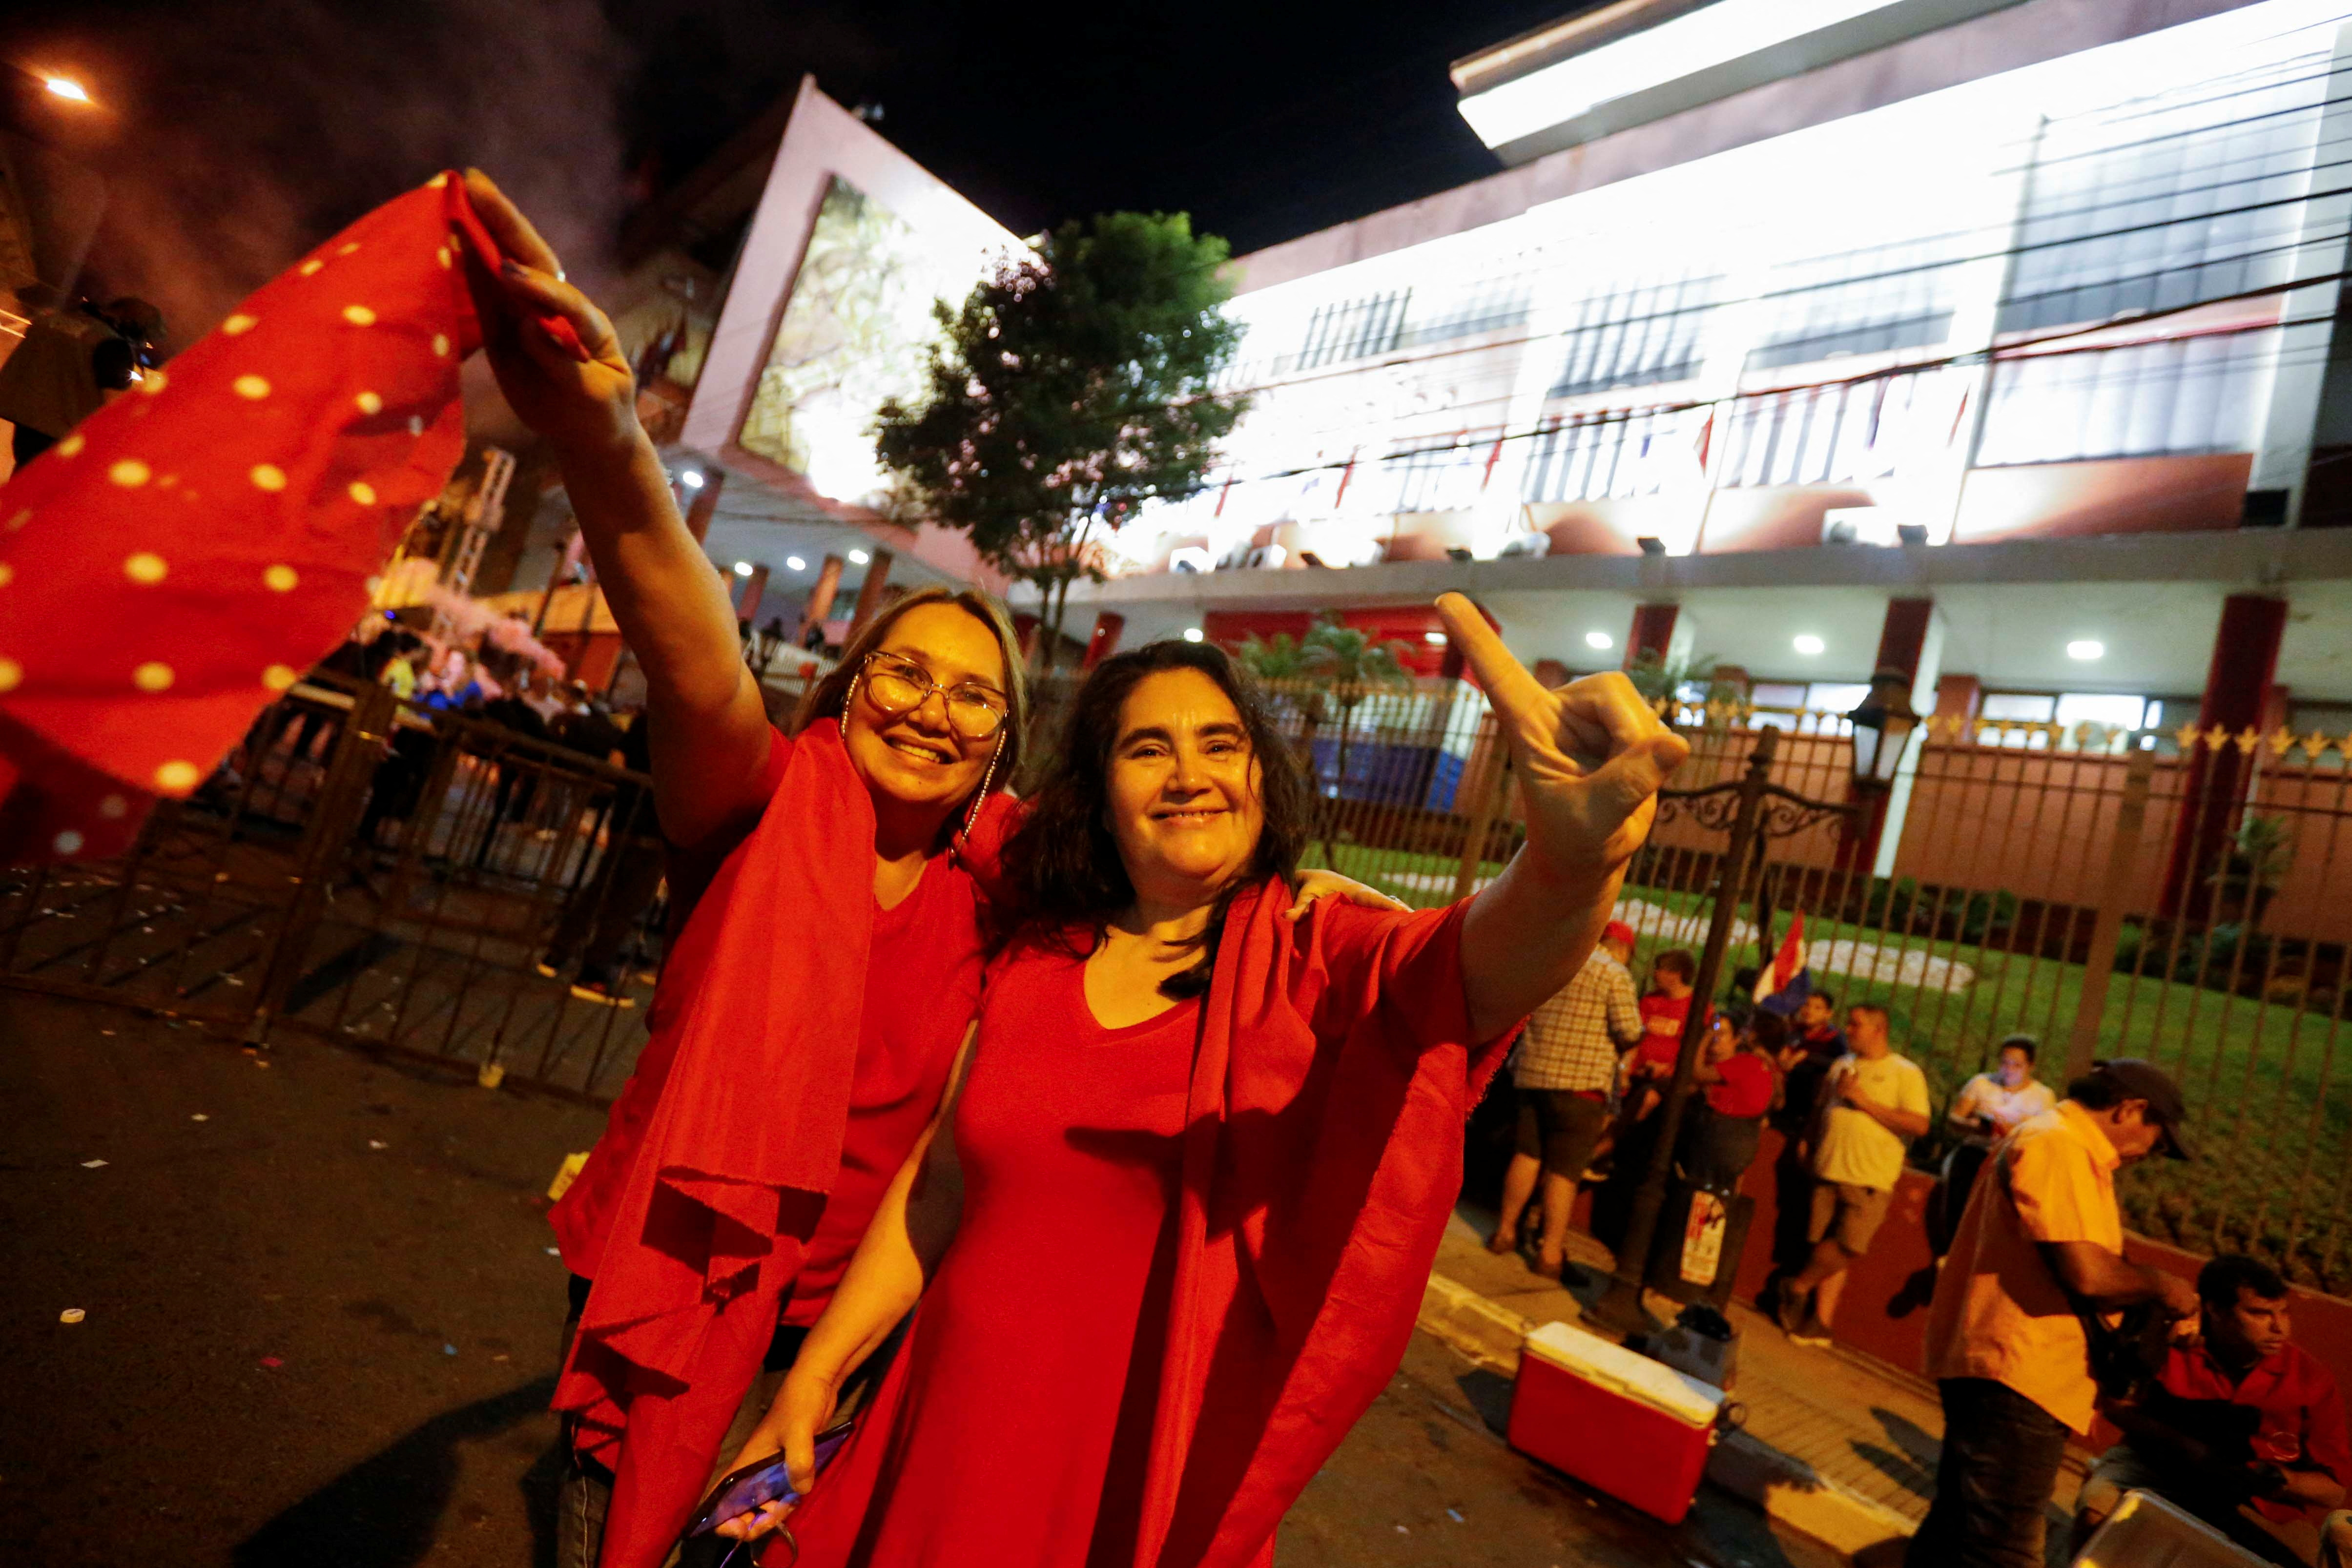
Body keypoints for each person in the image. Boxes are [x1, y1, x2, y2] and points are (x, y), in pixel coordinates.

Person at [454, 169, 1393, 1568]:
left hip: (857, 1317)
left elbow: (1176, 860)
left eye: (974, 697)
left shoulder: (1016, 871)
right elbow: (694, 657)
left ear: (1006, 747)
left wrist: (1293, 893)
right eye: (904, 671)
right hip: (683, 1268)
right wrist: (608, 445)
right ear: (844, 686)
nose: (930, 710)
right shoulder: (765, 804)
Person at [714, 609, 1686, 1564]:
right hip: (925, 1429)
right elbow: (938, 1187)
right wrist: (817, 1375)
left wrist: (1569, 863)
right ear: (1100, 793)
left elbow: (1482, 969)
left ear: (1261, 774)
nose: (1190, 774)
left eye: (1221, 743)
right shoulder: (1034, 956)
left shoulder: (1317, 951)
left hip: (1132, 1486)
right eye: (1148, 748)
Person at [1907, 1059, 2202, 1568]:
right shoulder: (2059, 1144)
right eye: (2155, 1141)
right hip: (2019, 1372)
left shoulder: (2062, 1143)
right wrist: (2163, 1285)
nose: (2148, 1156)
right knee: (2004, 1547)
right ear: (2130, 1108)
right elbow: (2090, 1274)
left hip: (2009, 1367)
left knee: (1957, 1532)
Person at [2071, 1253, 2352, 1567]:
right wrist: (2189, 1449)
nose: (2279, 1328)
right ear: (2215, 1310)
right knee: (2097, 1512)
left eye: (2283, 1313)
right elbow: (2114, 1406)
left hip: (2259, 1503)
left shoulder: (2311, 1380)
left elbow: (2334, 1493)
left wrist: (2283, 1480)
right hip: (2153, 1466)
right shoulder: (2171, 1339)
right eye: (2259, 1314)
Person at [1489, 917, 1643, 1277]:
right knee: (1564, 1172)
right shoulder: (1613, 973)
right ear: (1623, 949)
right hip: (1582, 1086)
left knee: (1526, 1155)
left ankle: (1505, 1232)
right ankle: (1551, 1254)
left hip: (1533, 1075)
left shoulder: (1557, 960)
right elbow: (1631, 1030)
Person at [1778, 1003, 1930, 1347]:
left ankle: (1797, 1286)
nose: (1849, 1029)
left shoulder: (1904, 1072)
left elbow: (1919, 1124)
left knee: (1849, 1245)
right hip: (1830, 1165)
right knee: (1825, 1246)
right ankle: (1819, 1323)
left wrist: (1863, 1101)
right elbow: (1823, 1107)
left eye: (1857, 1024)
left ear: (1879, 1030)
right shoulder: (1842, 1064)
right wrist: (1808, 1138)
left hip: (1870, 1176)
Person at [0, 292, 162, 468]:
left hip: (28, 419)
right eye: (145, 336)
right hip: (63, 431)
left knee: (26, 476)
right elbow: (115, 405)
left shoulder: (54, 321)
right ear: (133, 325)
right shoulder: (112, 345)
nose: (143, 342)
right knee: (46, 487)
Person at [1681, 1010, 1778, 1191]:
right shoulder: (1768, 1067)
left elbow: (1698, 1074)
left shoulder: (1747, 1062)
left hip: (1723, 1139)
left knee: (1702, 1194)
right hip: (1742, 1143)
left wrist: (1705, 1037)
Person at [1950, 1035, 2056, 1137]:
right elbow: (1955, 1118)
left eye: (2017, 1065)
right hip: (1977, 1148)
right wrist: (1972, 1127)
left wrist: (2014, 1131)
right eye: (2005, 1063)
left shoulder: (2043, 1096)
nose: (2009, 1070)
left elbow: (2046, 1135)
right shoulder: (1981, 1083)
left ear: (2030, 1066)